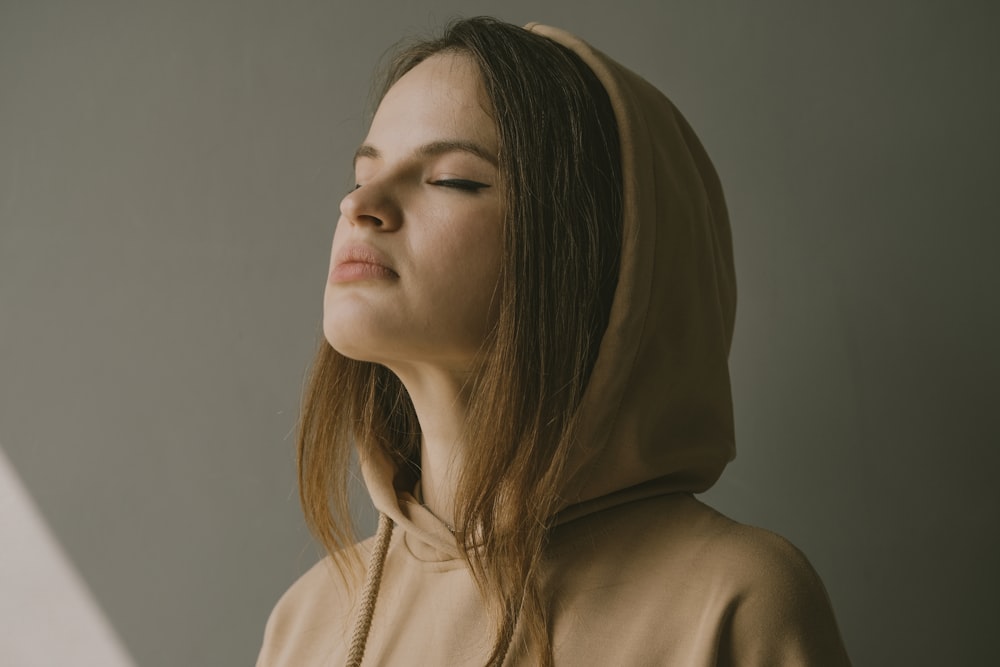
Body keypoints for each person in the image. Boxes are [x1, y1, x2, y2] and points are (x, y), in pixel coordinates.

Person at [257, 17, 851, 667]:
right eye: (361, 174)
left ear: (594, 258)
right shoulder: (309, 620)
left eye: (451, 178)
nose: (361, 204)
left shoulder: (737, 601)